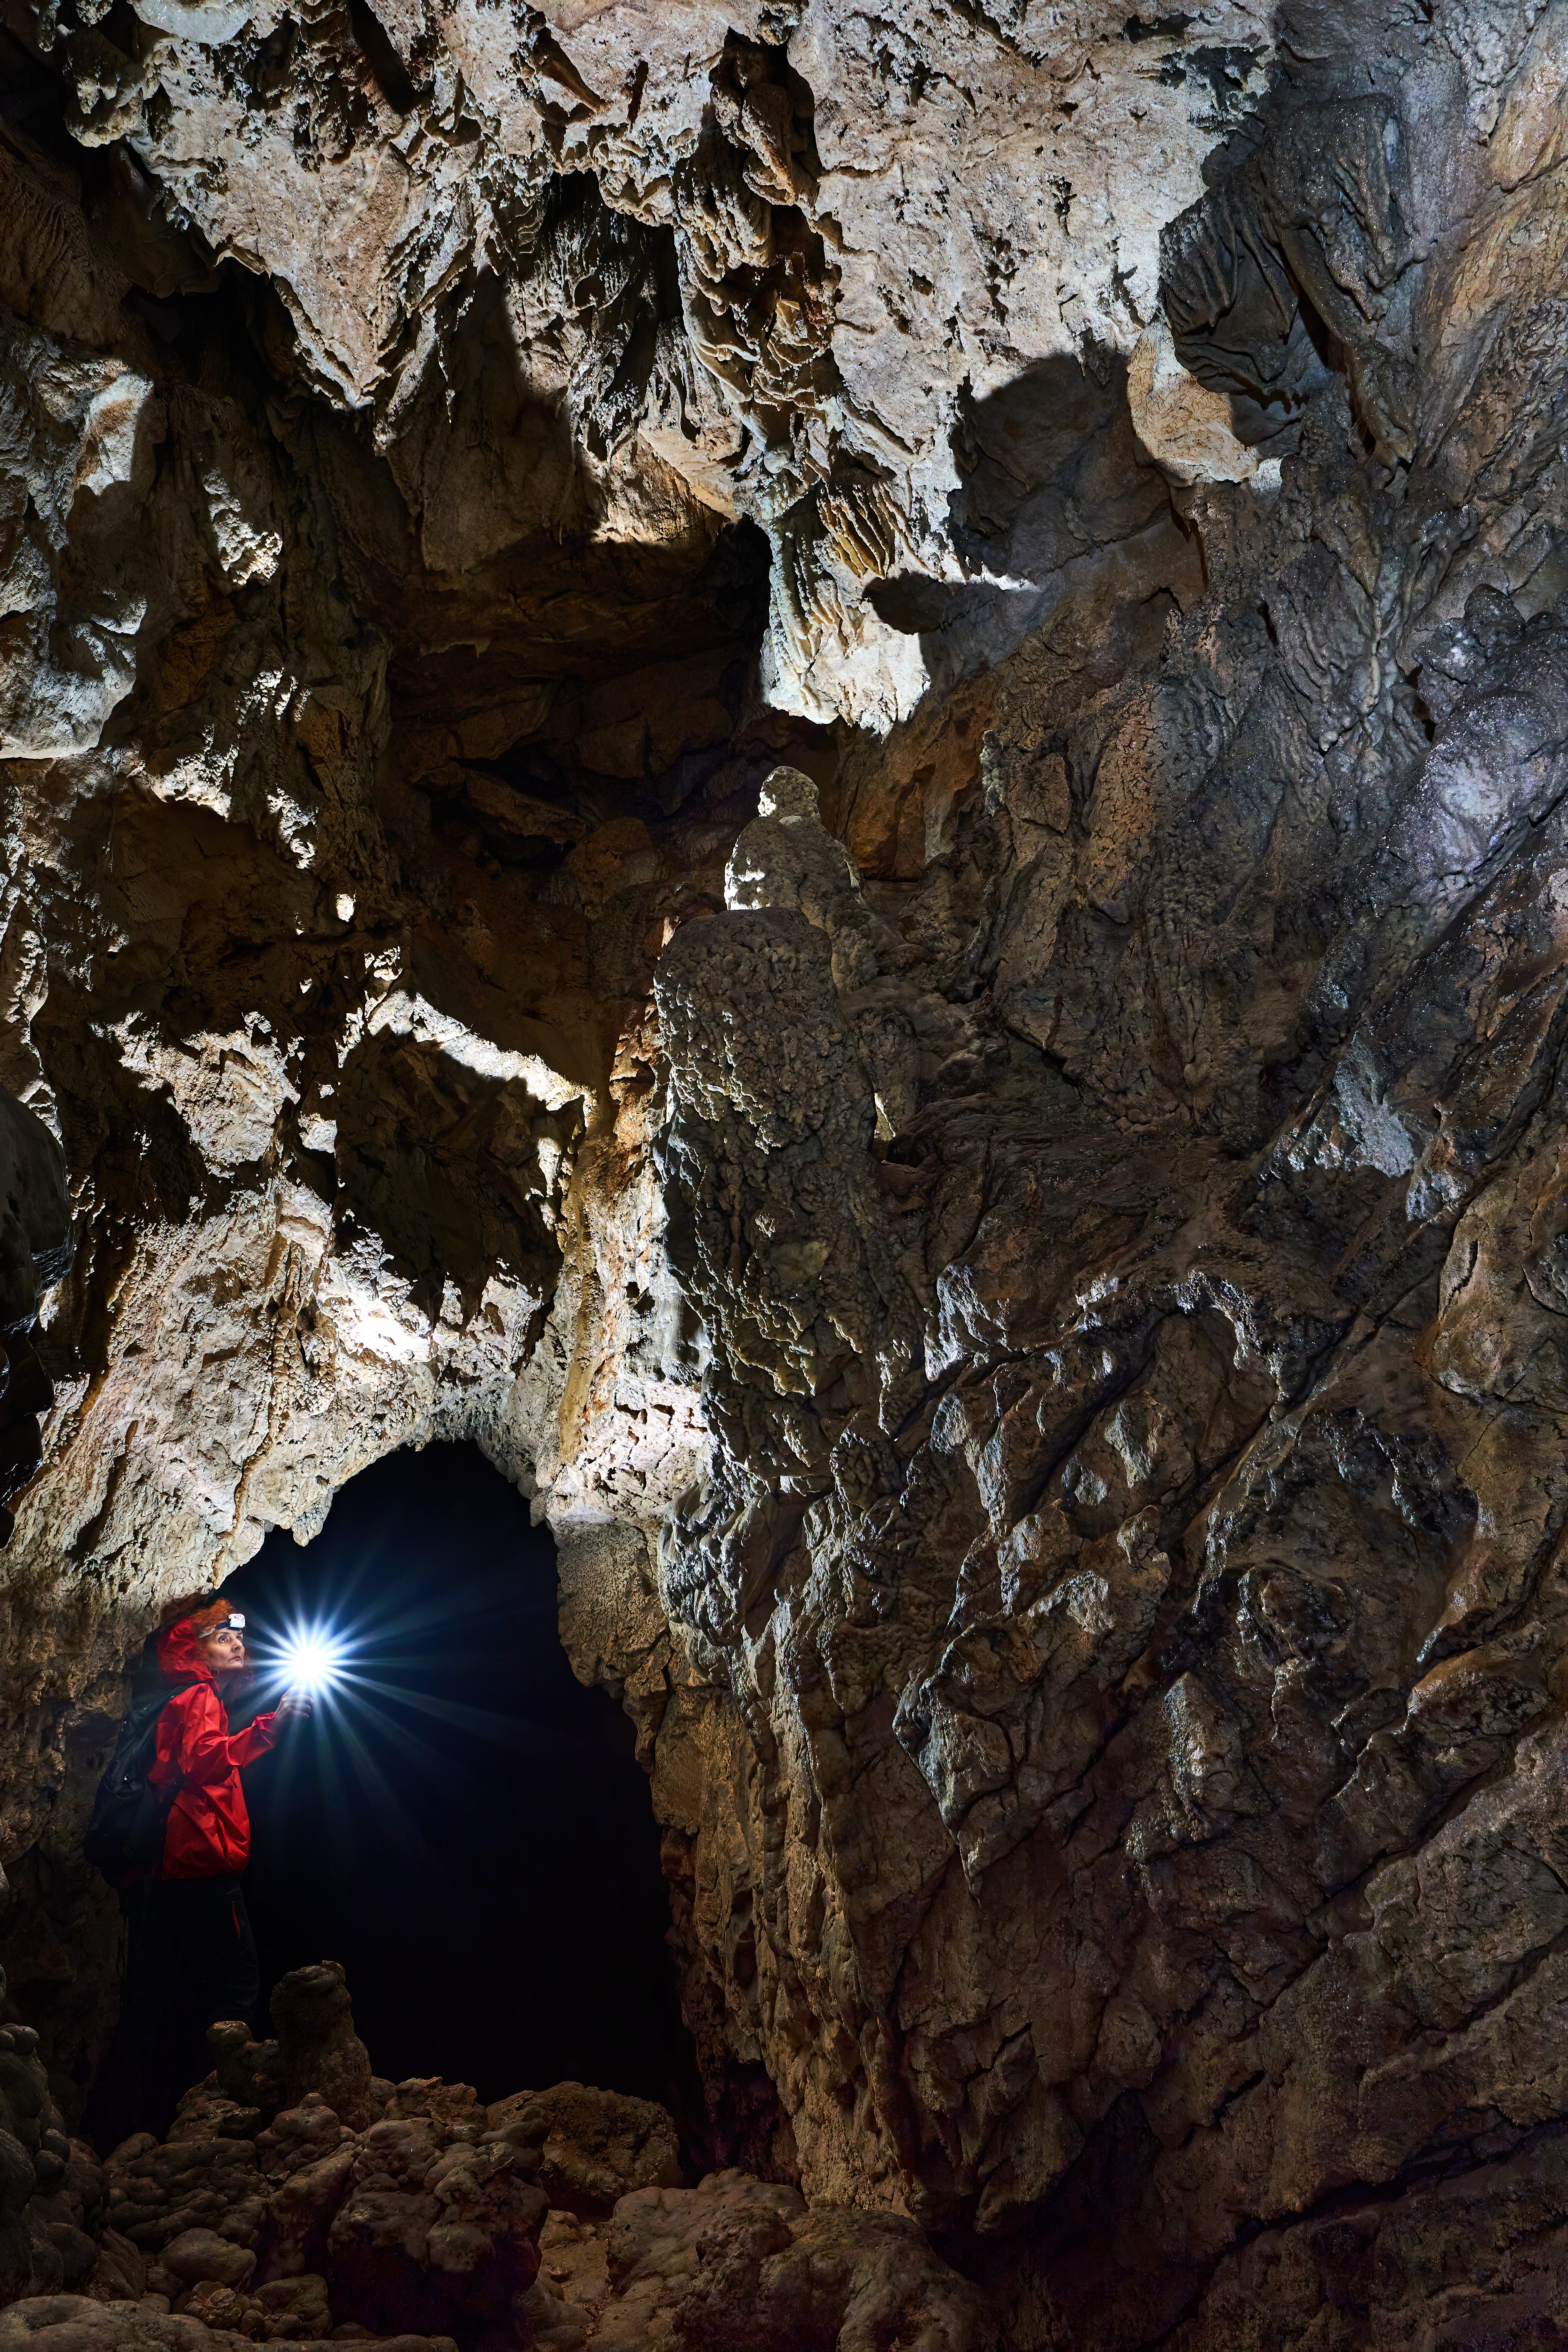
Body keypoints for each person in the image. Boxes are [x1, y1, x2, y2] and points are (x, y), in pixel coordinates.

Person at [85, 1597, 310, 2151]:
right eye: (221, 1638)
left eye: (239, 1637)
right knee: (236, 1986)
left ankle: (120, 2124)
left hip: (166, 1872)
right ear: (193, 1650)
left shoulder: (183, 1696)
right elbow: (204, 1763)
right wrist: (271, 1728)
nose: (238, 1644)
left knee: (154, 1997)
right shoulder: (197, 1696)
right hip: (197, 1866)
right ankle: (212, 2113)